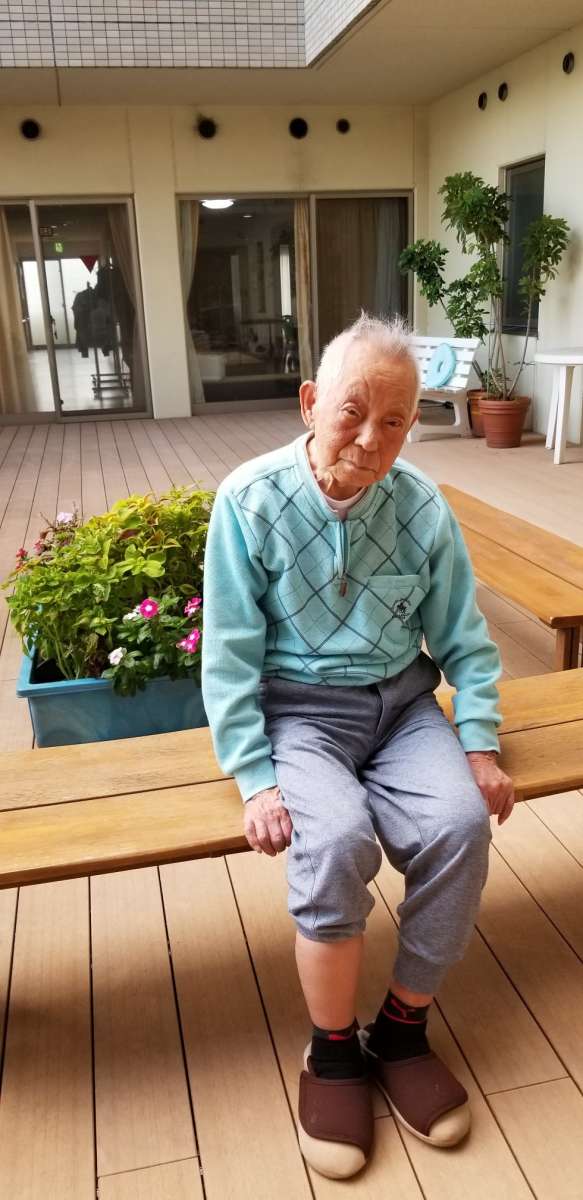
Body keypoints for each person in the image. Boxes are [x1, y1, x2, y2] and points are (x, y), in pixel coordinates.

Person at [201, 314, 514, 1180]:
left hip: (402, 706)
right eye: (352, 412)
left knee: (458, 824)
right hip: (298, 713)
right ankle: (332, 1047)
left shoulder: (420, 504)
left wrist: (478, 744)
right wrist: (255, 778)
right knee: (335, 838)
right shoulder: (250, 499)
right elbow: (227, 655)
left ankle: (401, 1029)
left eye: (395, 421)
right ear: (310, 403)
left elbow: (463, 639)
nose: (372, 438)